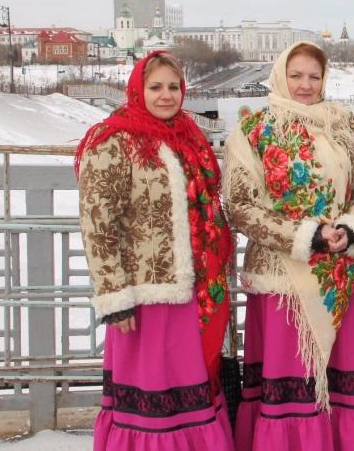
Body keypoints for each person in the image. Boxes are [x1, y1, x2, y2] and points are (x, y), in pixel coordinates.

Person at [222, 41, 354, 451]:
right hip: (283, 281)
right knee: (291, 388)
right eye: (296, 75)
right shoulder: (254, 129)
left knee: (343, 380)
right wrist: (305, 236)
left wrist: (350, 229)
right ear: (281, 74)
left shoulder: (345, 124)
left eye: (313, 77)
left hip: (343, 275)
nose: (305, 85)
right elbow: (240, 205)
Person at [75, 51, 235, 450]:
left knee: (194, 389)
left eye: (174, 87)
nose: (166, 96)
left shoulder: (190, 137)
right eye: (155, 87)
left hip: (198, 292)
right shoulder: (113, 140)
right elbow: (98, 223)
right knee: (152, 397)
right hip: (146, 297)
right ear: (137, 90)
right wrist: (115, 297)